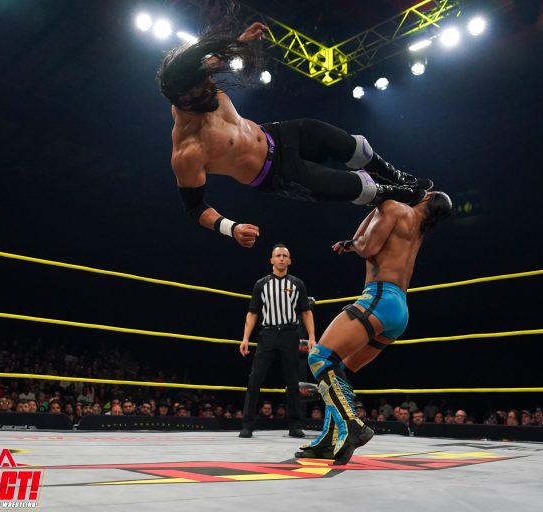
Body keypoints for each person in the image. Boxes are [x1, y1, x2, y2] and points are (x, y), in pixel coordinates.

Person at [157, 18, 433, 249]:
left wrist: (243, 41)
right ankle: (403, 194)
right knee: (359, 188)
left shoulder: (195, 80)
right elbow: (194, 207)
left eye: (208, 83)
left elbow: (218, 59)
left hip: (278, 134)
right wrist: (232, 228)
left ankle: (398, 177)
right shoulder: (188, 152)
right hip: (277, 174)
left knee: (354, 146)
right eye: (203, 90)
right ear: (184, 100)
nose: (211, 88)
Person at [299, 191, 452, 464]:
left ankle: (352, 426)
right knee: (340, 370)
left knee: (320, 357)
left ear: (426, 198)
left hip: (379, 297)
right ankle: (331, 439)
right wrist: (358, 236)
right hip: (398, 309)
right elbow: (363, 241)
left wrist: (380, 201)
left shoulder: (394, 207)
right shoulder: (416, 226)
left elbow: (366, 247)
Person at [239, 243, 315, 438]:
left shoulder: (297, 284)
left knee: (293, 380)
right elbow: (252, 313)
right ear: (271, 260)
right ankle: (247, 425)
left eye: (284, 256)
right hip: (268, 334)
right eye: (278, 255)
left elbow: (306, 312)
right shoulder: (261, 284)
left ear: (289, 260)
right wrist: (245, 338)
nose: (281, 258)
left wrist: (312, 337)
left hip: (290, 334)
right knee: (255, 378)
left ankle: (295, 425)